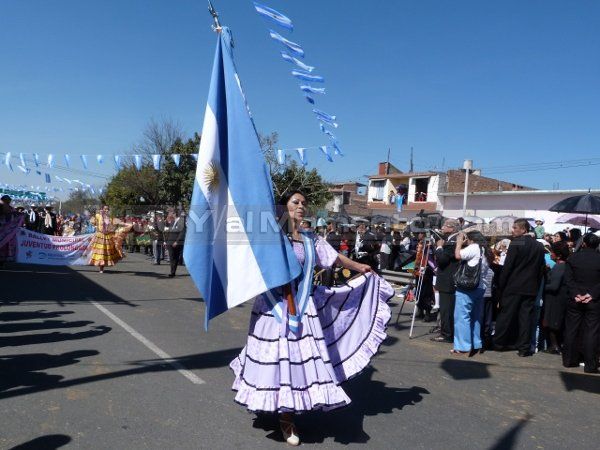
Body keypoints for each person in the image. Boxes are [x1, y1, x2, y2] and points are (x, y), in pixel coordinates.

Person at [230, 191, 393, 446]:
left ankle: (288, 413)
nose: (301, 206)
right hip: (274, 308)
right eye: (295, 202)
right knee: (277, 361)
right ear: (283, 207)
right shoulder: (272, 236)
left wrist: (358, 266)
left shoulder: (310, 239)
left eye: (304, 203)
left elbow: (333, 258)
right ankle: (283, 415)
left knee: (299, 361)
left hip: (302, 306)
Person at [494, 218, 546, 356]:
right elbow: (541, 268)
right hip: (530, 287)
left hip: (514, 286)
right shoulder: (538, 245)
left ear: (523, 229)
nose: (513, 230)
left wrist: (501, 284)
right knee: (525, 318)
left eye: (515, 228)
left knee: (506, 315)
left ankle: (499, 343)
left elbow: (508, 266)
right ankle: (523, 347)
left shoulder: (517, 242)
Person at [562, 233, 600, 373]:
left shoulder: (573, 258)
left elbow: (568, 279)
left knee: (572, 329)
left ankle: (569, 360)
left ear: (584, 243)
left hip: (577, 298)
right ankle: (590, 364)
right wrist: (591, 294)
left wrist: (576, 294)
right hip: (593, 300)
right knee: (592, 332)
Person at [451, 231, 491, 355]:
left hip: (468, 288)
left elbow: (458, 255)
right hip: (481, 287)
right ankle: (476, 343)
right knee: (476, 317)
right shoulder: (485, 250)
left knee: (462, 317)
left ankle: (462, 346)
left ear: (471, 239)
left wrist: (459, 243)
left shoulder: (474, 247)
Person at [431, 219, 461, 343]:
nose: (442, 227)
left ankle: (446, 333)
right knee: (447, 308)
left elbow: (442, 260)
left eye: (445, 225)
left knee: (446, 309)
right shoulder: (452, 240)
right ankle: (447, 331)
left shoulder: (452, 242)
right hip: (449, 279)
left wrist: (439, 247)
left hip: (447, 280)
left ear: (452, 228)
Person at [541, 242, 570, 354]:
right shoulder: (565, 266)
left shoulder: (559, 267)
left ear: (558, 255)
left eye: (552, 252)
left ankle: (555, 346)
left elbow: (554, 286)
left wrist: (542, 287)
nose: (550, 254)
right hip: (560, 298)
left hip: (554, 299)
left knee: (552, 323)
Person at [88, 205, 131, 273]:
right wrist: (96, 224)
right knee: (101, 251)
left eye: (107, 209)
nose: (106, 210)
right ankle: (101, 268)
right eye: (105, 209)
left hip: (108, 236)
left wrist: (127, 224)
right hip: (100, 236)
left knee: (107, 251)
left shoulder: (111, 218)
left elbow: (120, 223)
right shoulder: (98, 216)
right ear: (102, 209)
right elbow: (92, 221)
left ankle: (103, 266)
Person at [164, 209, 186, 278]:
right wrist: (165, 241)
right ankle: (172, 272)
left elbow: (182, 233)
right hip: (170, 242)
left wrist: (177, 241)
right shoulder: (172, 221)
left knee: (175, 257)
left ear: (175, 214)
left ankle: (173, 272)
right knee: (171, 257)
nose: (169, 215)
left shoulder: (181, 221)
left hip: (176, 242)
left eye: (171, 213)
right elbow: (168, 232)